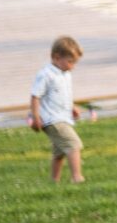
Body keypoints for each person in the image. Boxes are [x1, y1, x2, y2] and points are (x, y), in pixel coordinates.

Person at [28, 36, 83, 184]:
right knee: (73, 144)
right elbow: (35, 96)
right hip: (52, 119)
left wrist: (72, 107)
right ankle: (77, 177)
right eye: (70, 62)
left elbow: (63, 94)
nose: (72, 66)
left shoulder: (65, 74)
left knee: (59, 152)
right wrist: (35, 117)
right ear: (56, 57)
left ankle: (54, 180)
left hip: (63, 117)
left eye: (75, 63)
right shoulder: (46, 75)